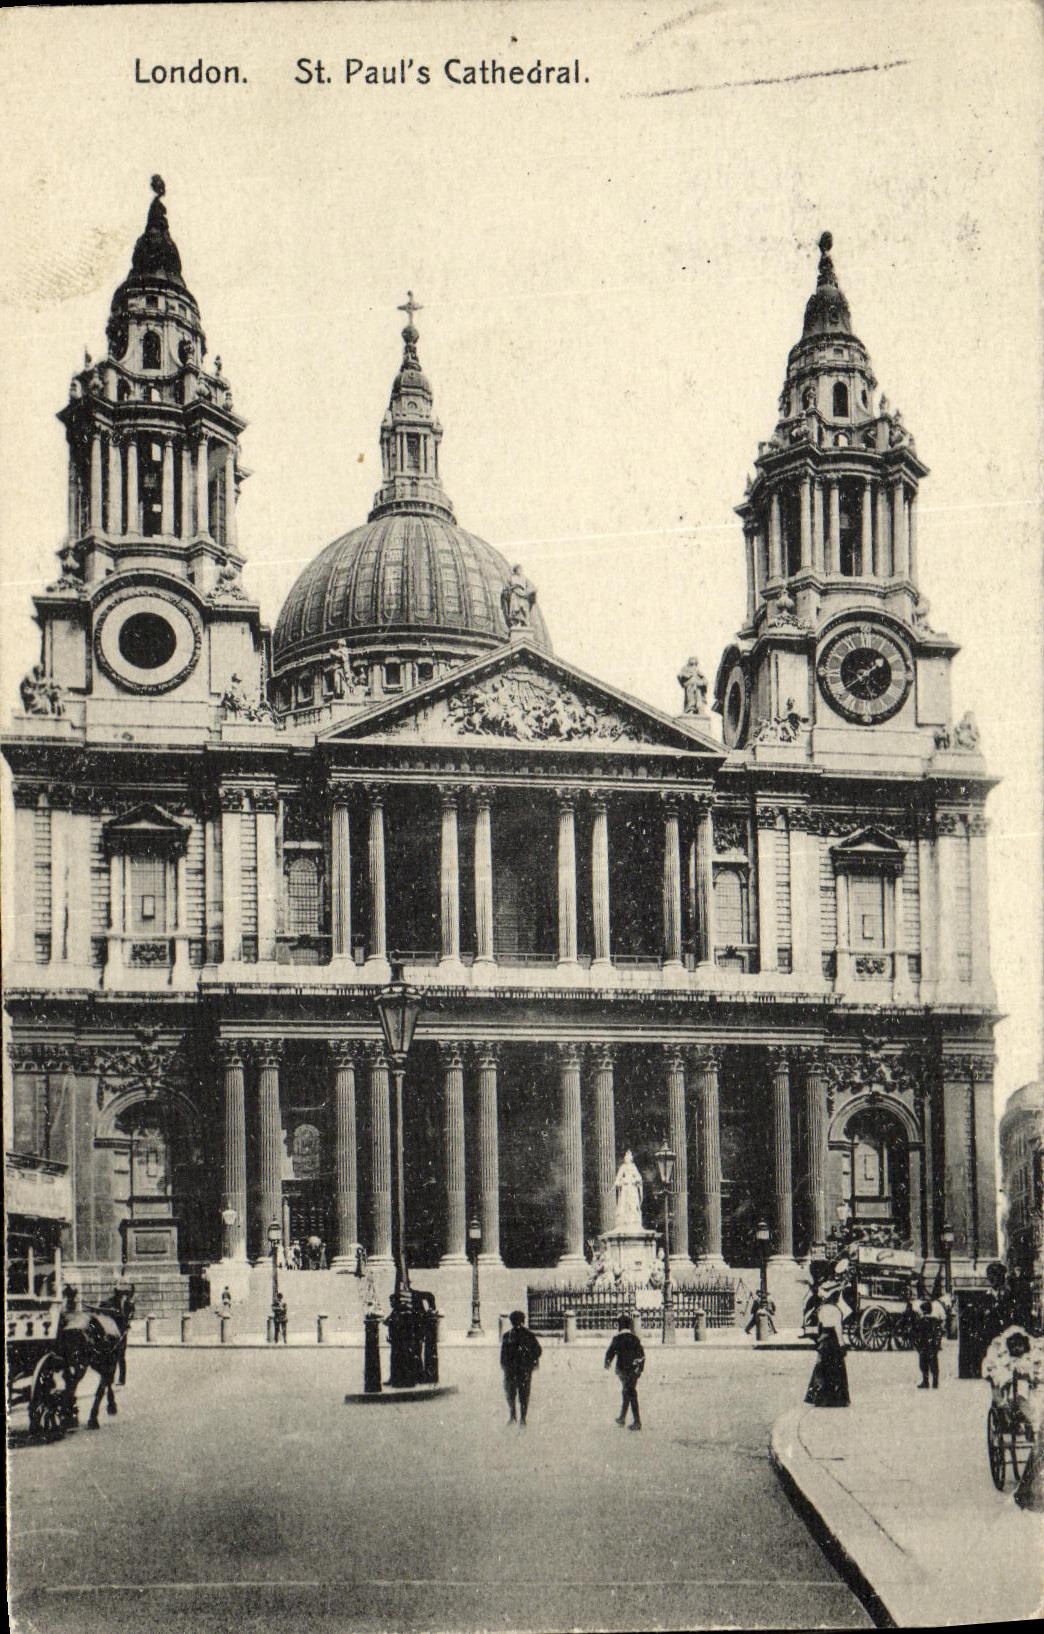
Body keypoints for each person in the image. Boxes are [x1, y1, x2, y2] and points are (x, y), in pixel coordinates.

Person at [805, 1290, 850, 1408]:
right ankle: (835, 1399)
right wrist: (842, 1344)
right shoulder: (836, 1310)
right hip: (833, 1341)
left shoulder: (821, 1309)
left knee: (821, 1368)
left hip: (823, 1341)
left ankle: (820, 1398)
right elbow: (838, 1328)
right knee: (835, 1368)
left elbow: (819, 1325)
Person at [500, 1309, 542, 1427]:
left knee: (512, 1394)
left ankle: (515, 1416)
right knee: (522, 1394)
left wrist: (505, 1367)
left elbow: (503, 1356)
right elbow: (538, 1351)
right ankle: (521, 1418)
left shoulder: (508, 1335)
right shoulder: (528, 1335)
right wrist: (530, 1360)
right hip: (522, 1370)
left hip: (514, 1370)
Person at [604, 1314, 645, 1430]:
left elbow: (610, 1352)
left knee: (630, 1392)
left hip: (622, 1371)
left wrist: (607, 1363)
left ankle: (637, 1422)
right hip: (634, 1370)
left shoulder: (617, 1339)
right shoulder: (635, 1339)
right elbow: (642, 1355)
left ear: (620, 1326)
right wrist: (640, 1368)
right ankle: (622, 1417)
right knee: (628, 1391)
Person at [914, 1298, 943, 1389]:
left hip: (924, 1347)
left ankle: (925, 1381)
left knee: (923, 1364)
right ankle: (935, 1382)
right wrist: (937, 1345)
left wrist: (918, 1346)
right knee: (934, 1364)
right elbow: (939, 1334)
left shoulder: (921, 1322)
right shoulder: (935, 1321)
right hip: (933, 1346)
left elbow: (917, 1335)